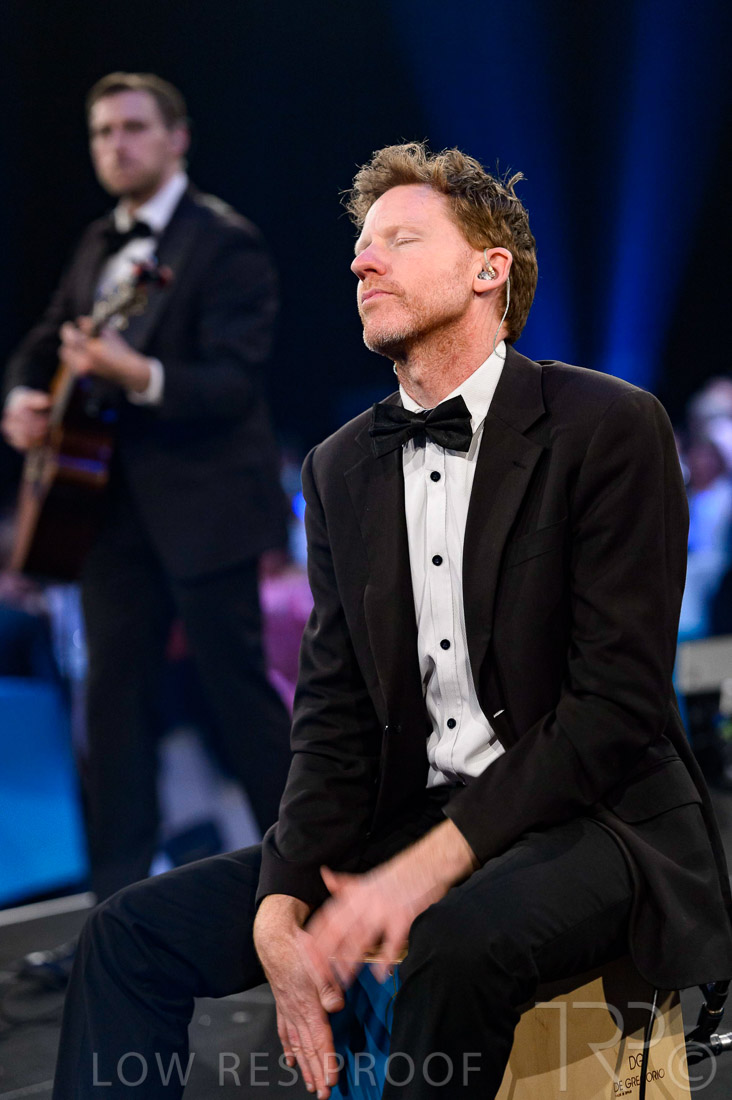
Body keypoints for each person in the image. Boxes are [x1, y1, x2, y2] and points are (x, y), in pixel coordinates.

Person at [52, 142, 732, 1100]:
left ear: (488, 270)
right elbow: (332, 715)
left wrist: (424, 872)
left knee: (455, 938)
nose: (362, 260)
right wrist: (281, 898)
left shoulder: (608, 425)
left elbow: (613, 709)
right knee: (128, 933)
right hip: (413, 816)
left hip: (597, 816)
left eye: (400, 240)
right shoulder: (338, 466)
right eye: (362, 246)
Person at [1, 73, 292, 907]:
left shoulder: (224, 242)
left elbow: (233, 383)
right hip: (106, 515)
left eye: (132, 127)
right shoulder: (98, 243)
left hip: (206, 510)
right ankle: (115, 916)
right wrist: (21, 399)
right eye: (101, 132)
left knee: (238, 699)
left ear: (177, 138)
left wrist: (141, 374)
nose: (115, 145)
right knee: (114, 711)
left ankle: (302, 888)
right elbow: (41, 345)